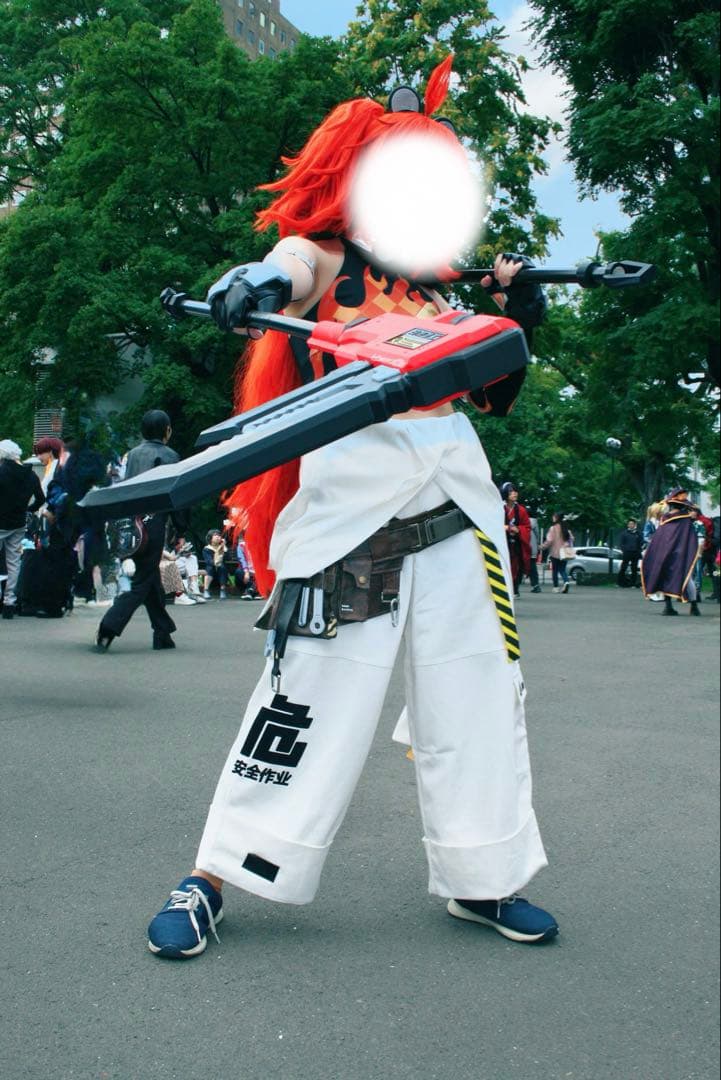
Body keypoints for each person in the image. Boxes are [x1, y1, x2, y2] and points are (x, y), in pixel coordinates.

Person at [147, 58, 557, 960]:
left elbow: (489, 398)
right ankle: (216, 871)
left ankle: (482, 873)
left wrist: (514, 317)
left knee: (478, 693)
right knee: (307, 690)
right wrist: (256, 284)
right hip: (356, 502)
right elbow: (285, 264)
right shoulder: (326, 260)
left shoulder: (442, 293)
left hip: (460, 505)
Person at [95, 410, 180, 650]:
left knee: (150, 577)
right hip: (154, 523)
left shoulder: (132, 454)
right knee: (142, 580)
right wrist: (181, 528)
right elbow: (175, 493)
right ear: (167, 430)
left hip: (132, 522)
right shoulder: (170, 455)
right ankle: (109, 626)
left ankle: (163, 632)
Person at [0, 439, 45, 619]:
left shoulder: (1, 473)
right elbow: (41, 498)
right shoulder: (31, 475)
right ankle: (9, 603)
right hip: (18, 523)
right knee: (14, 563)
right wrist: (28, 510)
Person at [641, 489, 703, 616]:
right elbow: (690, 538)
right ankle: (694, 606)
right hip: (680, 554)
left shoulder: (664, 520)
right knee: (687, 577)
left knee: (665, 577)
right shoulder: (686, 520)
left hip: (664, 554)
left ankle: (668, 606)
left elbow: (658, 540)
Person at [501, 483, 531, 598]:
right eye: (511, 491)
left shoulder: (521, 510)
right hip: (503, 543)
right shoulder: (499, 508)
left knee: (517, 566)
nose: (514, 493)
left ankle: (515, 588)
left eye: (515, 491)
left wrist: (518, 529)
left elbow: (527, 527)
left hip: (517, 543)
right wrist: (506, 528)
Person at [541, 512, 574, 594]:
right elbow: (572, 538)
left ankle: (556, 587)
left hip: (555, 553)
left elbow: (549, 540)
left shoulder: (553, 528)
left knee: (555, 570)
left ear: (556, 518)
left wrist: (542, 547)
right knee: (562, 569)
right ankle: (566, 582)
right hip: (565, 553)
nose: (552, 518)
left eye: (553, 517)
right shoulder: (566, 528)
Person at [202, 530, 228, 599]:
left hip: (221, 570)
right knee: (209, 568)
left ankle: (223, 590)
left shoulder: (223, 547)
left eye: (219, 535)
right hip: (211, 570)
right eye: (215, 535)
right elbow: (208, 561)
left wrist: (223, 547)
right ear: (210, 538)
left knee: (222, 567)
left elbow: (227, 558)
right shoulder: (207, 549)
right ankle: (206, 590)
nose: (218, 537)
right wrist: (216, 563)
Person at [617, 518, 643, 588]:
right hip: (627, 553)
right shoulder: (624, 533)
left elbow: (641, 542)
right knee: (623, 567)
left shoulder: (639, 533)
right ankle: (620, 582)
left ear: (635, 525)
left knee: (634, 568)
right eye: (629, 524)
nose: (631, 525)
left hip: (635, 553)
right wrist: (624, 550)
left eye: (632, 524)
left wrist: (639, 550)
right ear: (628, 525)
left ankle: (632, 583)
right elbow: (621, 543)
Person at [234, 532, 260, 599]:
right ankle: (254, 590)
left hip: (257, 569)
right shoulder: (241, 546)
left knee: (264, 572)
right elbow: (242, 559)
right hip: (246, 570)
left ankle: (249, 591)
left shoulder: (259, 544)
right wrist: (246, 572)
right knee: (239, 572)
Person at [527, 509, 542, 594]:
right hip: (533, 548)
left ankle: (515, 586)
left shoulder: (523, 522)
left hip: (523, 547)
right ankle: (535, 585)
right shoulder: (535, 523)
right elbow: (537, 536)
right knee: (533, 567)